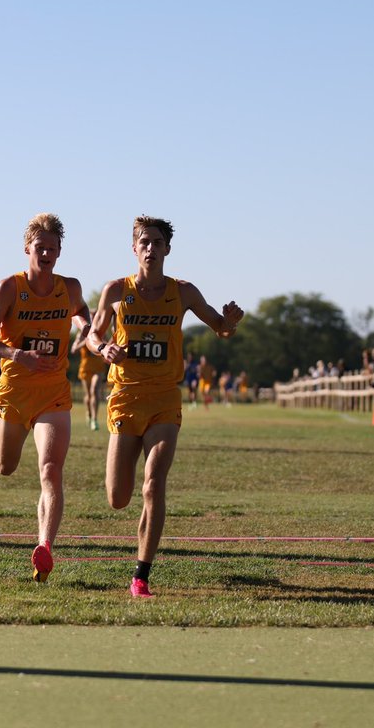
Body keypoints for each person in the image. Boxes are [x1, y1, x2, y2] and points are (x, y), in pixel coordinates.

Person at [86, 215, 243, 598]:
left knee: (153, 484)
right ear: (134, 248)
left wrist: (230, 322)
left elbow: (220, 327)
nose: (151, 248)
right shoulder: (115, 291)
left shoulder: (183, 292)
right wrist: (103, 348)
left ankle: (141, 575)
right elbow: (93, 334)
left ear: (167, 249)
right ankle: (139, 560)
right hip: (125, 396)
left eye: (157, 242)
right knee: (117, 497)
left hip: (164, 399)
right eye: (144, 242)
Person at [0, 213, 91, 583]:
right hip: (15, 391)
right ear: (27, 248)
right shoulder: (9, 288)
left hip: (53, 393)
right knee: (8, 466)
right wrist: (16, 354)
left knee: (50, 469)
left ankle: (45, 546)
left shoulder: (69, 287)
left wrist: (85, 327)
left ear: (59, 252)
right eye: (40, 247)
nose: (46, 254)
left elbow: (81, 311)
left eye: (52, 248)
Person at [71, 328, 108, 431]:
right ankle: (89, 413)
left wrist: (102, 342)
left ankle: (94, 419)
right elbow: (73, 350)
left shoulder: (101, 331)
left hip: (98, 368)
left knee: (94, 390)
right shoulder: (81, 334)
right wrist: (87, 341)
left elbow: (108, 344)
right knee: (88, 394)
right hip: (86, 368)